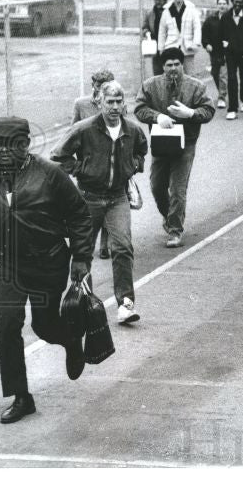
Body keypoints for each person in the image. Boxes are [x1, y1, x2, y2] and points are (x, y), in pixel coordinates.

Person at [0, 116, 93, 424]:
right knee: (6, 326)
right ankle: (21, 397)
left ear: (26, 144)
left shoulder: (51, 174)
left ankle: (70, 341)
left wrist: (81, 258)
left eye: (10, 144)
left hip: (48, 263)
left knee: (44, 327)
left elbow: (81, 215)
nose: (2, 150)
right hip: (9, 266)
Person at [52, 80, 149, 325]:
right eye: (110, 102)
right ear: (99, 103)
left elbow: (141, 151)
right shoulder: (83, 129)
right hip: (88, 198)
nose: (115, 107)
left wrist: (132, 166)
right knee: (83, 252)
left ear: (124, 103)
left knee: (123, 247)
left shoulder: (133, 129)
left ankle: (126, 304)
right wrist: (82, 169)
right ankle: (86, 305)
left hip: (118, 198)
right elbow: (58, 156)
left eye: (119, 102)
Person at [134, 47, 216, 247]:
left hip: (185, 143)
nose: (173, 68)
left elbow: (208, 110)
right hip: (161, 142)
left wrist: (190, 113)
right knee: (156, 186)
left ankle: (175, 231)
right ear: (163, 67)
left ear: (182, 65)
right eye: (169, 65)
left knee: (178, 188)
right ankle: (169, 217)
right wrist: (157, 116)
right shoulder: (150, 85)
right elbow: (138, 108)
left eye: (177, 64)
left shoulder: (196, 86)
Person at [72, 67, 116, 259]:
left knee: (109, 202)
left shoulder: (115, 103)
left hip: (110, 161)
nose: (101, 90)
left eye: (106, 86)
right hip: (87, 163)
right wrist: (77, 163)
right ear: (93, 86)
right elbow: (72, 132)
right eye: (98, 86)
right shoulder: (81, 104)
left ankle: (105, 244)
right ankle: (86, 245)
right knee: (88, 207)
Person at [158, 0, 203, 75]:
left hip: (187, 47)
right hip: (171, 46)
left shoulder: (191, 8)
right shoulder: (166, 10)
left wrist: (196, 43)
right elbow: (162, 31)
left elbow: (197, 27)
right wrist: (161, 48)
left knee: (189, 75)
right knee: (172, 74)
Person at [203, 0, 229, 109]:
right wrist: (206, 44)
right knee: (214, 73)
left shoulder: (231, 18)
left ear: (227, 5)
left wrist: (230, 43)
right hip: (214, 51)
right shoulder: (211, 19)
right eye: (220, 3)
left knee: (223, 74)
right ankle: (223, 91)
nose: (222, 5)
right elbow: (204, 33)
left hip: (227, 52)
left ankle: (222, 97)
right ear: (217, 5)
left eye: (224, 3)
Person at [142, 0, 168, 76]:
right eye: (156, 0)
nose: (157, 3)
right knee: (157, 72)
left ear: (165, 0)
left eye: (159, 0)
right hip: (156, 46)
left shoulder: (170, 12)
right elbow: (145, 27)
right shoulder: (150, 13)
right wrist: (146, 32)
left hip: (168, 45)